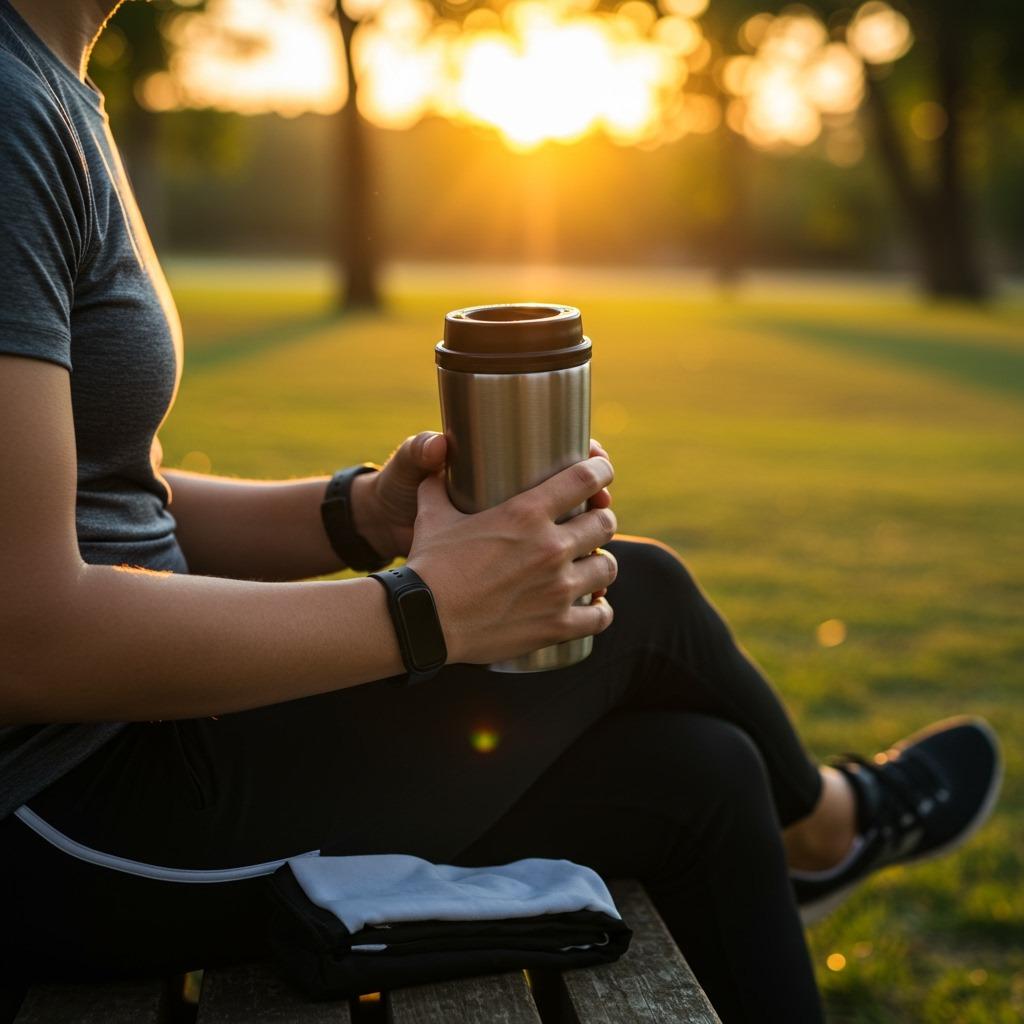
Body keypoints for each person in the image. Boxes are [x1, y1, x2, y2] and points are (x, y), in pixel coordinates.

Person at [0, 2, 1001, 1021]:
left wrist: (361, 514)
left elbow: (113, 499)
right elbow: (24, 633)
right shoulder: (8, 106)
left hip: (132, 745)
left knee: (702, 774)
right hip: (58, 814)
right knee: (637, 592)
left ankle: (816, 830)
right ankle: (832, 826)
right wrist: (424, 609)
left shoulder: (55, 79)